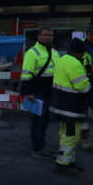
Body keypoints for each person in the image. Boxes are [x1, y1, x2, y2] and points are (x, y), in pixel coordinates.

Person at [50, 38, 93, 176]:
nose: (83, 56)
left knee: (65, 134)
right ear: (79, 52)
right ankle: (62, 164)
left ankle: (69, 160)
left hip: (60, 105)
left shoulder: (62, 60)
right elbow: (82, 86)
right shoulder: (75, 63)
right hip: (71, 108)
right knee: (71, 136)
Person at [20, 27, 59, 159]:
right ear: (39, 36)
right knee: (38, 121)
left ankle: (41, 146)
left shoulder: (54, 52)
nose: (49, 37)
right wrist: (29, 92)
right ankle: (37, 149)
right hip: (37, 92)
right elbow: (26, 75)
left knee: (46, 120)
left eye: (51, 35)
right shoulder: (32, 53)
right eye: (46, 35)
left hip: (50, 92)